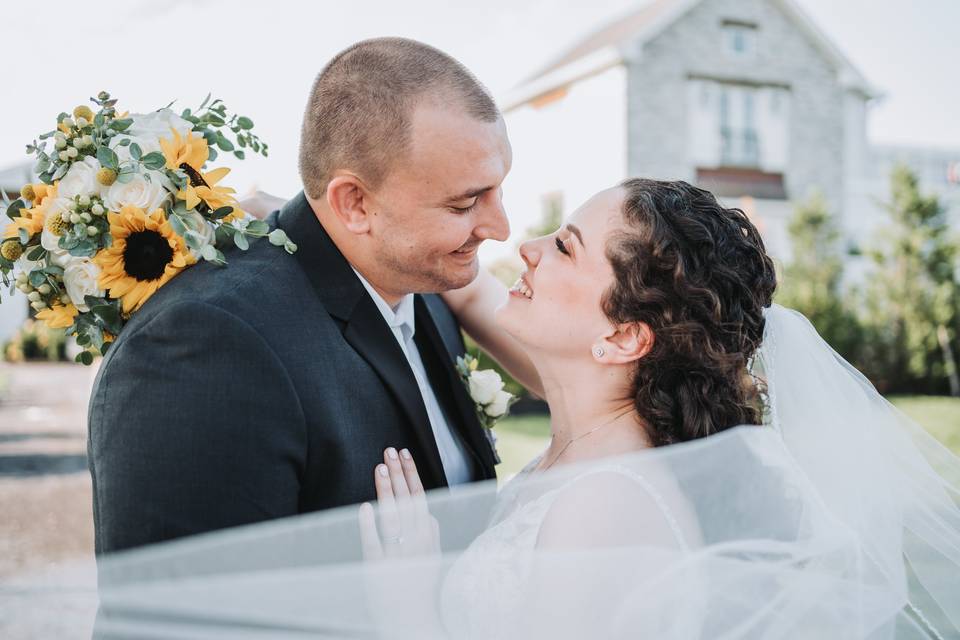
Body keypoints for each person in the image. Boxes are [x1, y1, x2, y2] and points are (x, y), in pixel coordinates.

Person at [87, 37, 511, 554]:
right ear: (354, 202)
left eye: (498, 191)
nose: (500, 227)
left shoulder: (431, 291)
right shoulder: (208, 343)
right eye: (465, 204)